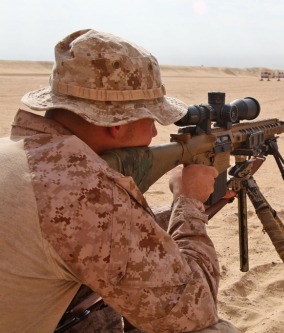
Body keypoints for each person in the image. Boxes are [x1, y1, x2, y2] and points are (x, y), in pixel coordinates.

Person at [0, 29, 240, 333]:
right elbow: (192, 311)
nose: (154, 133)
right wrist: (188, 202)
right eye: (151, 119)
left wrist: (185, 210)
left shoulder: (21, 153)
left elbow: (87, 235)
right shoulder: (81, 188)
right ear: (117, 123)